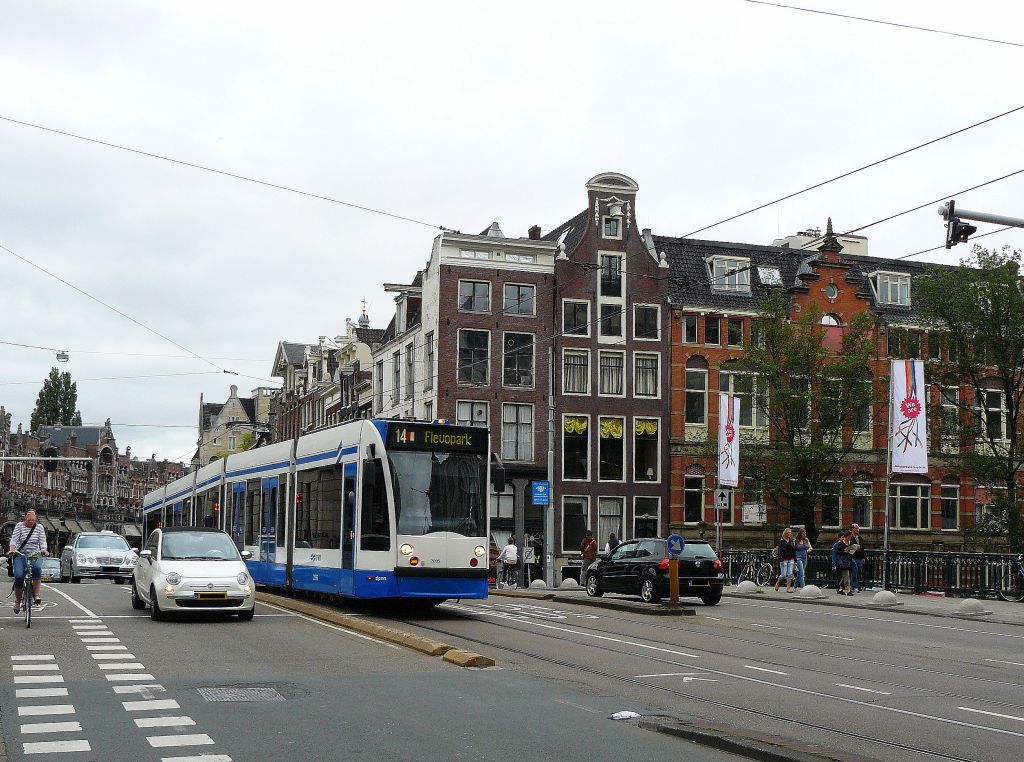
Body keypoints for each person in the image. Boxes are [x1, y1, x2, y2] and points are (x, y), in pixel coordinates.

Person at [8, 509, 49, 614]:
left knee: (37, 568)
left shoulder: (39, 528)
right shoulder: (19, 526)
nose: (30, 522)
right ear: (25, 518)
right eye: (29, 520)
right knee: (18, 576)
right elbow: (14, 540)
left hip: (35, 554)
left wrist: (44, 550)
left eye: (32, 521)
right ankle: (17, 601)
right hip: (20, 554)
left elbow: (42, 541)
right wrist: (12, 550)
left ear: (35, 519)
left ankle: (36, 595)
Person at [831, 529, 853, 595]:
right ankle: (848, 590)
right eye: (849, 536)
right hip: (842, 561)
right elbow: (837, 552)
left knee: (844, 576)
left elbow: (852, 552)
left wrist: (852, 551)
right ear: (846, 536)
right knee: (846, 575)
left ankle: (840, 589)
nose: (850, 538)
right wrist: (845, 552)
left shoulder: (850, 543)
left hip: (848, 561)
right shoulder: (840, 544)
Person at [774, 527, 797, 592]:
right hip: (784, 559)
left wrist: (795, 560)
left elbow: (793, 551)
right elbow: (780, 551)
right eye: (788, 532)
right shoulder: (781, 541)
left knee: (789, 574)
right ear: (785, 533)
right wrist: (781, 559)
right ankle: (777, 584)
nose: (790, 533)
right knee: (783, 575)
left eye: (790, 532)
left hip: (791, 559)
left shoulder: (792, 541)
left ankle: (788, 588)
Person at [850, 523, 865, 592]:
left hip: (860, 558)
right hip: (853, 557)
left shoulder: (860, 538)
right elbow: (848, 548)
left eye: (858, 528)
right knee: (854, 571)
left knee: (859, 572)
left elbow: (863, 548)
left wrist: (863, 557)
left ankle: (858, 585)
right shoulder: (850, 538)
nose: (857, 530)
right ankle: (854, 586)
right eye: (856, 528)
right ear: (852, 529)